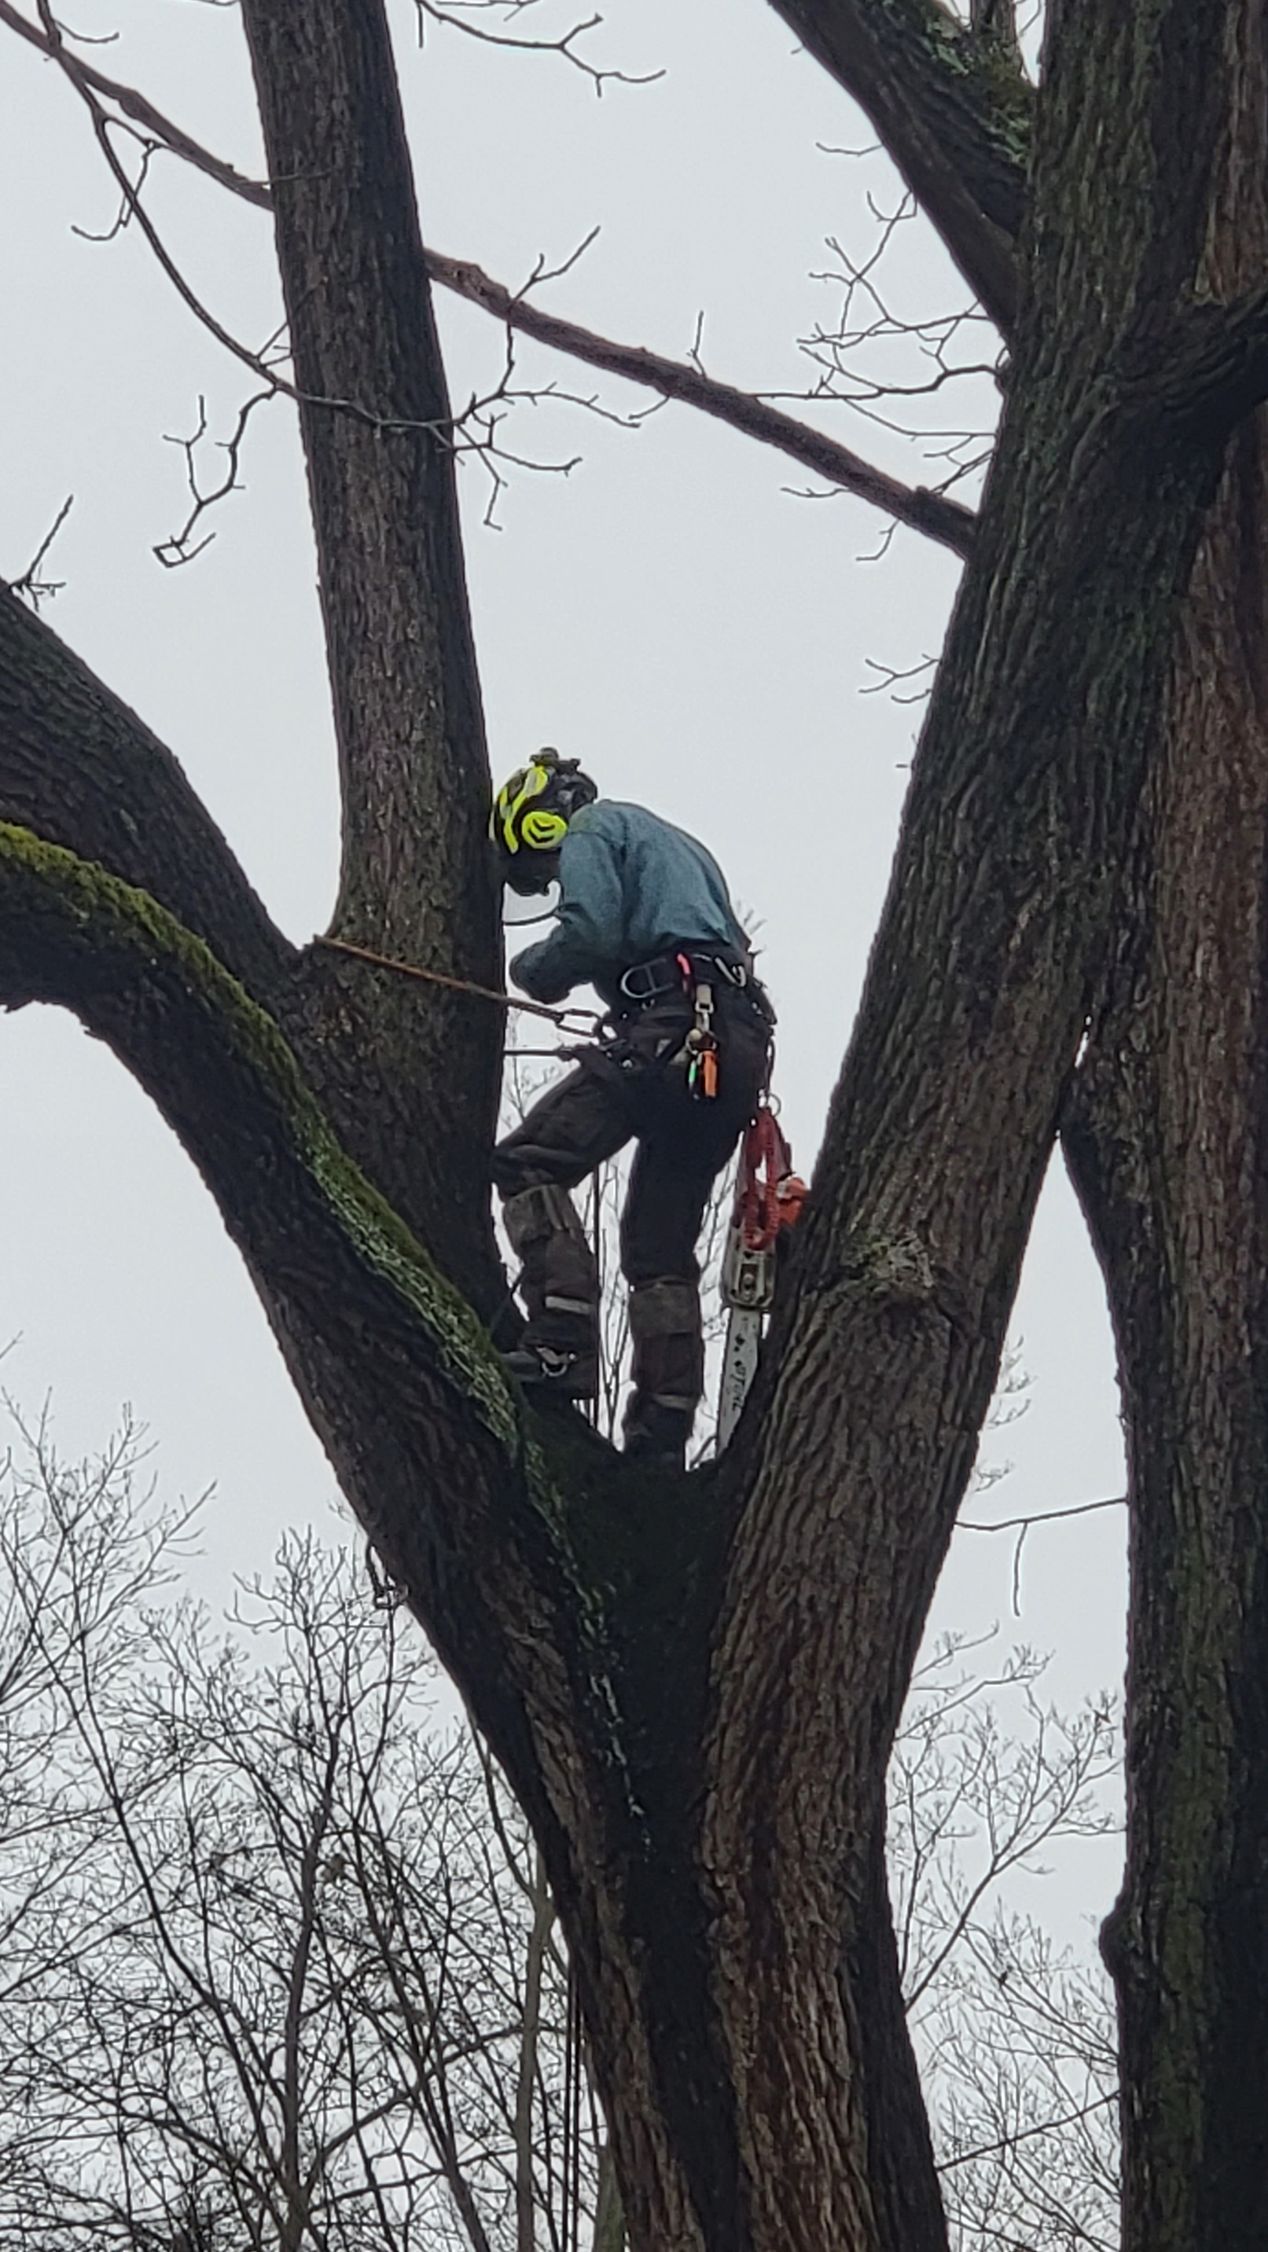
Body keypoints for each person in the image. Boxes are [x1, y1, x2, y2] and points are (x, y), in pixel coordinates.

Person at [490, 748, 773, 1468]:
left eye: (541, 868)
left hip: (675, 1026)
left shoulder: (591, 829)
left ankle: (560, 1339)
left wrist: (531, 971)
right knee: (657, 1246)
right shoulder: (681, 848)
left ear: (537, 818)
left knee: (530, 1162)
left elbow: (590, 933)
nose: (550, 878)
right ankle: (664, 1424)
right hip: (729, 1047)